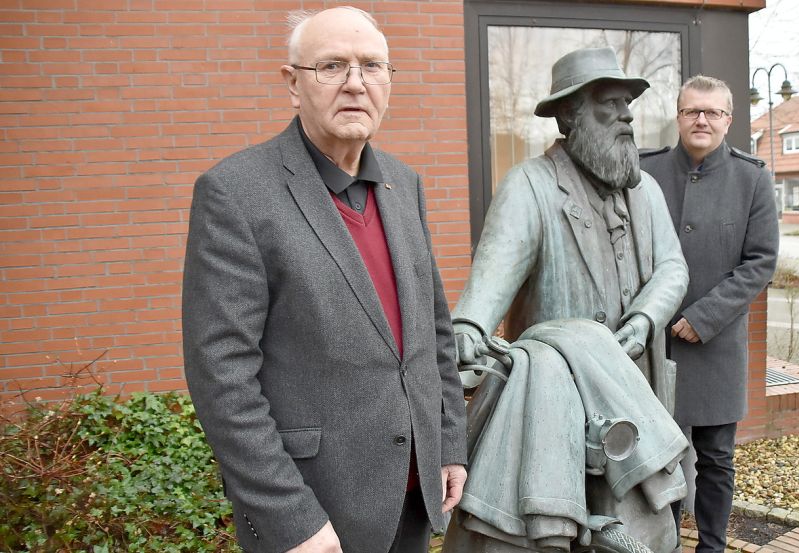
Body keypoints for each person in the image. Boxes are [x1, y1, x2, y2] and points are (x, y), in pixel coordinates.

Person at [181, 7, 467, 553]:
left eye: (372, 66)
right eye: (332, 66)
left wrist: (448, 442)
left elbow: (434, 334)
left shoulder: (404, 186)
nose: (356, 84)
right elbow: (222, 375)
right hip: (314, 514)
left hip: (412, 495)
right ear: (293, 84)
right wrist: (290, 518)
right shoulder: (236, 193)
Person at [448, 47, 689, 552]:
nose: (626, 115)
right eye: (610, 103)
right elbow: (495, 270)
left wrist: (645, 318)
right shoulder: (529, 187)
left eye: (628, 103)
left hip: (635, 392)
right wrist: (469, 326)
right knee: (559, 533)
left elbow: (673, 266)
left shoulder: (645, 192)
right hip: (558, 407)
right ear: (568, 115)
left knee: (640, 526)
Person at [640, 75, 779, 553]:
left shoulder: (753, 177)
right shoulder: (645, 172)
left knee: (717, 458)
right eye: (691, 111)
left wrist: (704, 317)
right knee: (659, 456)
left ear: (728, 120)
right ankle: (664, 543)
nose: (701, 119)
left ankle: (712, 546)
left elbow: (760, 261)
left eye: (712, 112)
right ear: (678, 117)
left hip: (718, 347)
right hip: (653, 345)